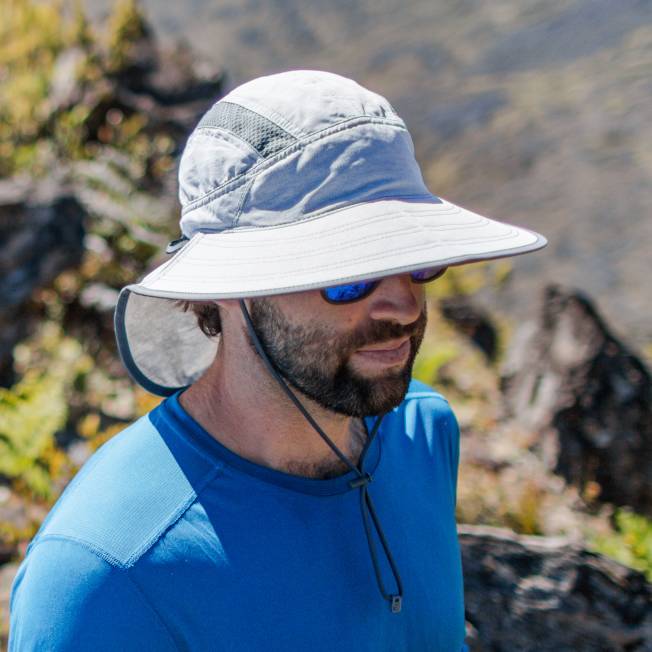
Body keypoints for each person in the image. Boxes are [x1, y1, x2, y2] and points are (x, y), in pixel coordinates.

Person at [9, 70, 546, 651]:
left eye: (419, 263)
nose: (406, 306)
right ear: (231, 290)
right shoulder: (107, 574)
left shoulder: (423, 432)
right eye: (351, 277)